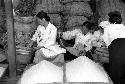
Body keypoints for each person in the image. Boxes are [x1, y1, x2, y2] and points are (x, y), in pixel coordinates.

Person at [101, 11, 125, 84]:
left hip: (116, 46)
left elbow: (106, 41)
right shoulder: (123, 27)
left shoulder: (108, 28)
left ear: (110, 20)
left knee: (116, 70)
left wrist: (111, 48)